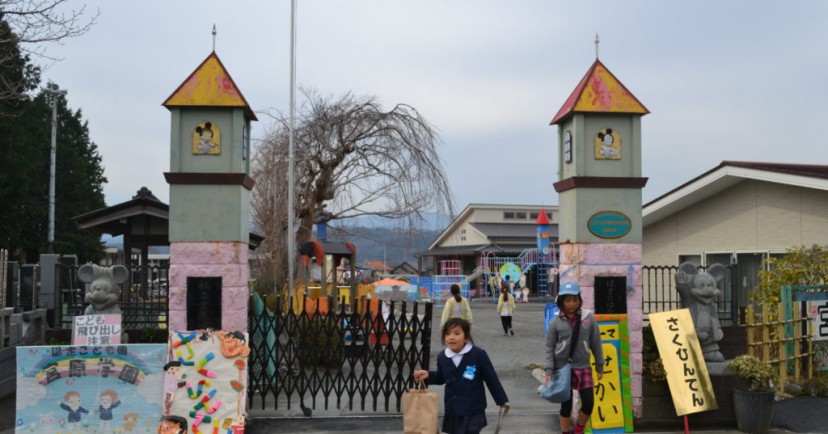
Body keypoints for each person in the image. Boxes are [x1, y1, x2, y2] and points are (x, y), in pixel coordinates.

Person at [413, 318, 509, 434]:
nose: (451, 337)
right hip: (453, 409)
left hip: (473, 408)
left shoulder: (478, 354)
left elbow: (491, 378)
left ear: (466, 337)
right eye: (447, 334)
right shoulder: (442, 357)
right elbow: (442, 377)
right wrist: (428, 376)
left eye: (457, 333)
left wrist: (501, 400)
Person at [544, 281, 604, 434]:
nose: (571, 304)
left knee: (589, 403)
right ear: (561, 301)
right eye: (567, 300)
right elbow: (549, 347)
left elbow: (596, 343)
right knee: (566, 405)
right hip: (563, 368)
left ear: (579, 300)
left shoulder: (588, 318)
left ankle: (579, 430)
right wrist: (549, 370)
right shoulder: (555, 321)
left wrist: (600, 365)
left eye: (574, 300)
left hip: (583, 366)